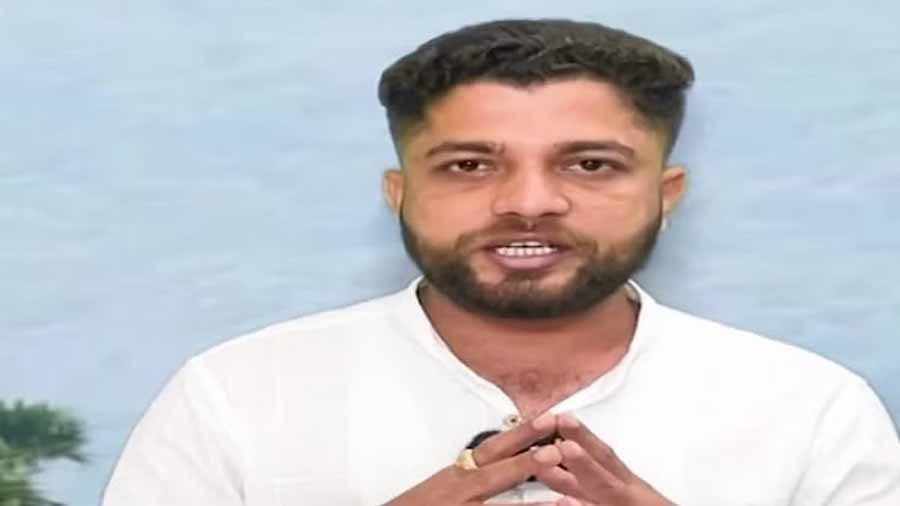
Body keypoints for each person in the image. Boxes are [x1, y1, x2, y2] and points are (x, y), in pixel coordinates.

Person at [102, 18, 900, 506]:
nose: (529, 203)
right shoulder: (234, 397)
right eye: (469, 166)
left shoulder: (812, 410)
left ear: (667, 195)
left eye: (589, 164)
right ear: (398, 192)